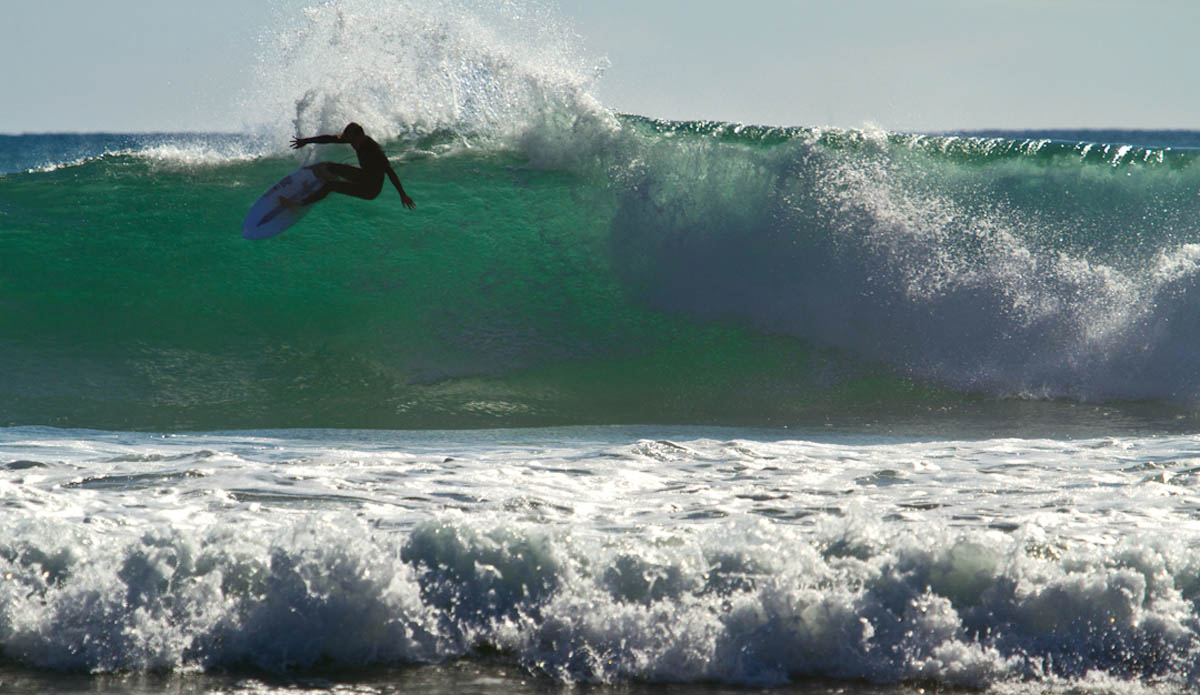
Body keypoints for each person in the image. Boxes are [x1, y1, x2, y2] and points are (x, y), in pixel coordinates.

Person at [286, 122, 415, 209]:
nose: (350, 143)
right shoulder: (355, 139)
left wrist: (402, 194)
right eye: (348, 139)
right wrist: (306, 141)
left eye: (352, 140)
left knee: (331, 186)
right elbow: (330, 139)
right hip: (363, 176)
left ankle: (299, 204)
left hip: (370, 189)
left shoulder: (375, 151)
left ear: (360, 135)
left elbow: (390, 172)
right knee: (328, 166)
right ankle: (330, 177)